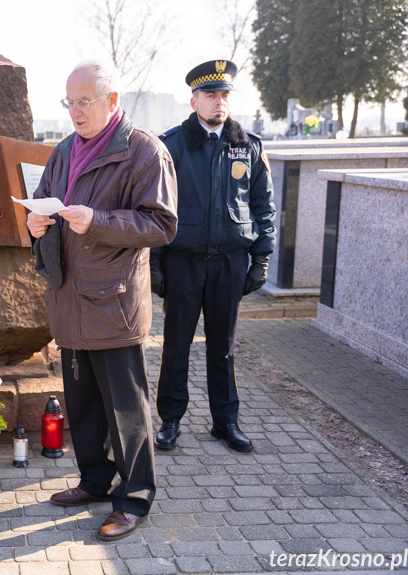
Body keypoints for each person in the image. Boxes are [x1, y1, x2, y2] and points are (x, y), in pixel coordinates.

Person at [27, 61, 178, 541]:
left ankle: (133, 499)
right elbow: (42, 197)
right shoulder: (65, 149)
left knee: (126, 409)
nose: (75, 112)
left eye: (84, 101)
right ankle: (95, 480)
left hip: (112, 303)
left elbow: (161, 225)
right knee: (84, 403)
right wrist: (34, 224)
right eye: (69, 102)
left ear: (113, 101)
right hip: (71, 298)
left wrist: (98, 220)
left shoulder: (144, 152)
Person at [152, 60, 276, 453]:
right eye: (210, 95)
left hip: (229, 262)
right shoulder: (170, 145)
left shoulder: (248, 145)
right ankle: (170, 421)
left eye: (224, 94)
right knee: (176, 345)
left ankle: (226, 422)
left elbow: (263, 206)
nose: (218, 101)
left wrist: (261, 260)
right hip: (183, 262)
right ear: (194, 101)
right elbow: (156, 207)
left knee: (223, 347)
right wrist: (155, 264)